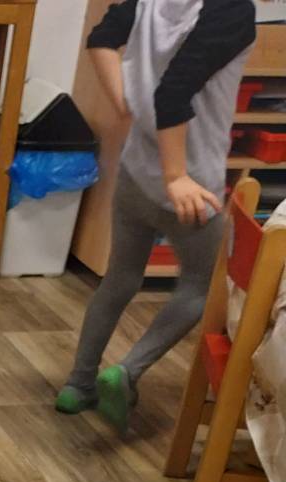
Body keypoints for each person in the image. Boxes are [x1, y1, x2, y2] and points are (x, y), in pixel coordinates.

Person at [56, 0, 256, 433]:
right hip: (191, 185)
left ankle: (78, 383)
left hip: (136, 172)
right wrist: (176, 176)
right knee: (202, 284)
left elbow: (101, 38)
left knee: (120, 278)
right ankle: (127, 372)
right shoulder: (233, 10)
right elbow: (172, 95)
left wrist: (125, 104)